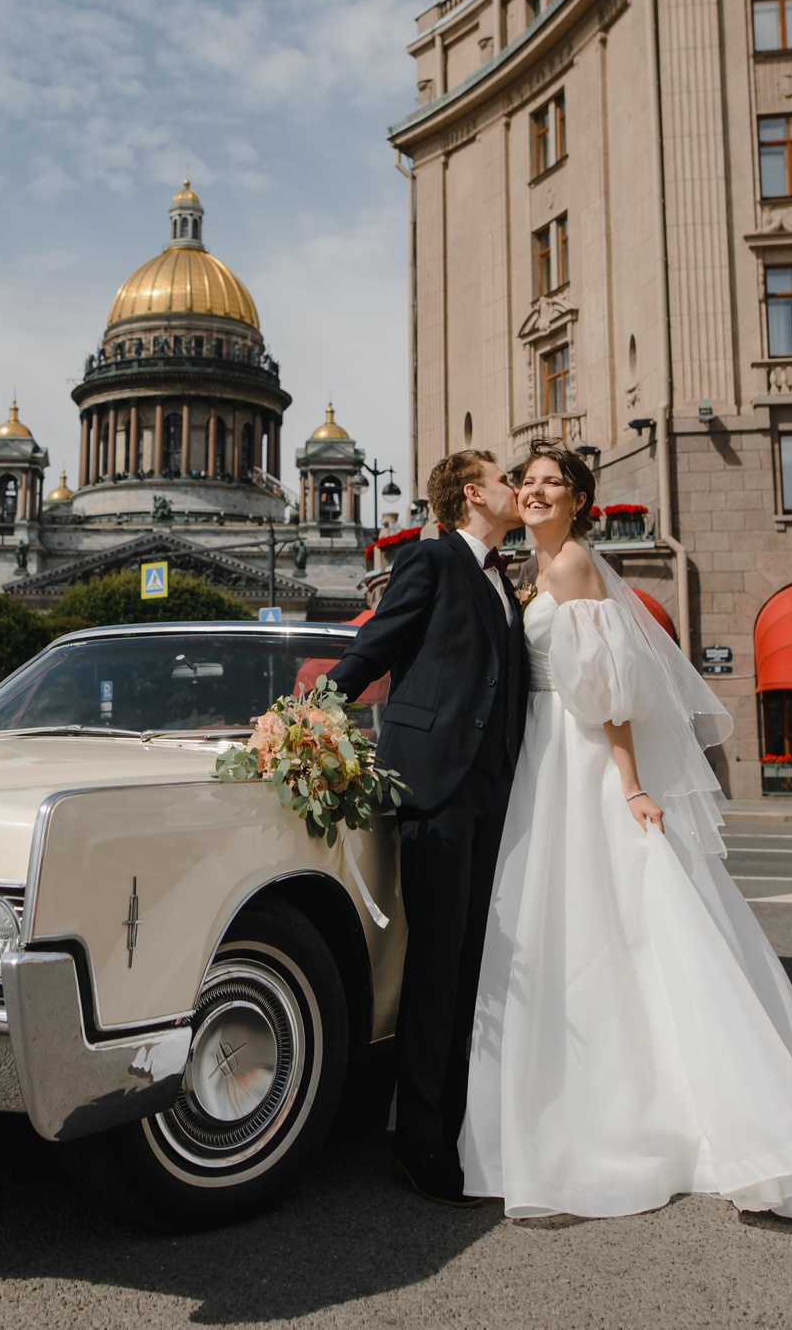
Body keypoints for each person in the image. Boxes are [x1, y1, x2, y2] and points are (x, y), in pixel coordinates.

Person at [459, 443, 792, 1222]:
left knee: (597, 918)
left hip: (577, 757)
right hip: (543, 753)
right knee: (577, 921)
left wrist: (630, 782)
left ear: (578, 500)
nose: (534, 492)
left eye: (551, 483)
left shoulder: (570, 566)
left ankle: (619, 1110)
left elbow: (611, 689)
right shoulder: (540, 567)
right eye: (526, 481)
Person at [326, 448, 529, 1209]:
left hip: (493, 789)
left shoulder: (504, 576)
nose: (517, 487)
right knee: (437, 963)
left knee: (474, 962)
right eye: (506, 479)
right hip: (436, 786)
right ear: (473, 493)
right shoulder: (433, 560)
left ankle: (453, 1121)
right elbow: (376, 645)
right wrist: (309, 713)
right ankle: (417, 1138)